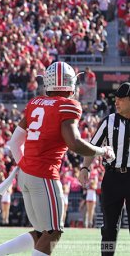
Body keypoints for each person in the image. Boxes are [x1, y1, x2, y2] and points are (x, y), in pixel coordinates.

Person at [0, 62, 115, 256]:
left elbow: (14, 142)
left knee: (42, 232)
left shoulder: (35, 103)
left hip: (25, 173)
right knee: (53, 232)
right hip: (44, 175)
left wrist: (25, 166)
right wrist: (102, 151)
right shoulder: (68, 104)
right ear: (70, 84)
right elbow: (74, 143)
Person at [78, 82, 130, 256]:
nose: (116, 102)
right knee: (108, 227)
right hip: (113, 178)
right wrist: (85, 167)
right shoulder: (109, 122)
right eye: (115, 99)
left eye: (121, 99)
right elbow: (93, 147)